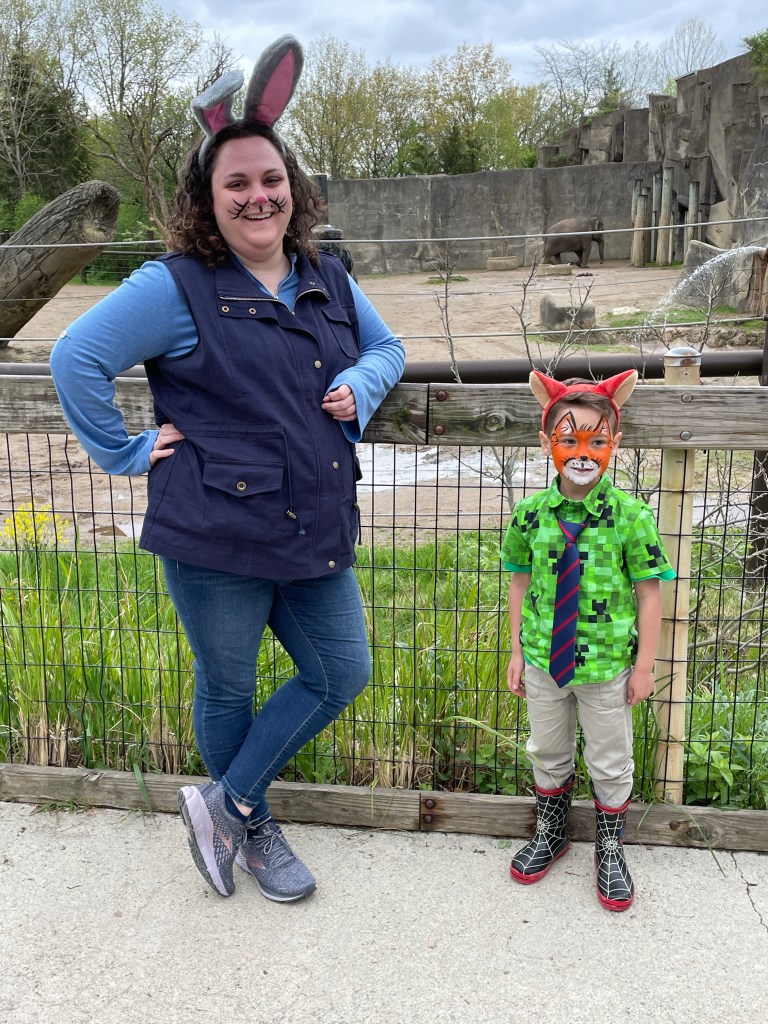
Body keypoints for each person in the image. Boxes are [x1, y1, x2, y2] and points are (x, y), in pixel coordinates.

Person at [50, 36, 405, 902]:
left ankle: (226, 806)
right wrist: (126, 452)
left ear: (294, 187)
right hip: (214, 533)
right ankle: (256, 828)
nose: (258, 195)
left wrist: (363, 383)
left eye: (271, 178)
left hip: (315, 523)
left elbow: (389, 348)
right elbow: (75, 359)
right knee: (228, 685)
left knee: (341, 671)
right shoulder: (175, 286)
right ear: (208, 200)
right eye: (236, 182)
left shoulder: (327, 276)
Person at [501, 370, 675, 911]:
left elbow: (649, 595)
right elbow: (520, 582)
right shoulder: (530, 515)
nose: (582, 453)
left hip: (606, 667)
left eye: (596, 442)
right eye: (569, 440)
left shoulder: (631, 517)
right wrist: (516, 652)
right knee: (547, 750)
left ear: (614, 444)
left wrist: (643, 667)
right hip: (542, 662)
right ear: (546, 442)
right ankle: (552, 832)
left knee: (610, 758)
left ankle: (610, 847)